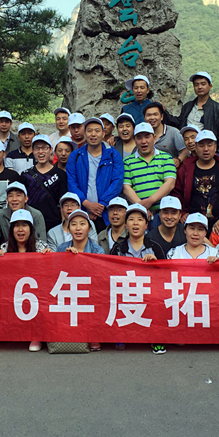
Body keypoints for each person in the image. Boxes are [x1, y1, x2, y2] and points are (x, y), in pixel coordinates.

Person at [109, 203, 167, 355]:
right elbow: (109, 273)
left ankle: (156, 338)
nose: (135, 223)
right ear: (125, 225)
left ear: (146, 225)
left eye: (140, 220)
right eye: (131, 219)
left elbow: (166, 275)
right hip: (125, 290)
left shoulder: (155, 247)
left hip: (149, 292)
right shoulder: (117, 248)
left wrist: (155, 264)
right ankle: (121, 333)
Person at [0, 209, 51, 352]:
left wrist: (49, 257)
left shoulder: (40, 247)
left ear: (31, 229)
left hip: (35, 293)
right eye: (16, 225)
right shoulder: (4, 248)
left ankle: (36, 335)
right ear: (11, 229)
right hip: (12, 292)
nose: (20, 229)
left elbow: (50, 272)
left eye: (24, 225)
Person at [172, 130, 219, 233]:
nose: (206, 149)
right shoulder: (185, 170)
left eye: (209, 145)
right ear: (196, 147)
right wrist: (182, 213)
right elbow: (176, 194)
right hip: (194, 225)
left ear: (215, 147)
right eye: (201, 145)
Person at [66, 117, 124, 229]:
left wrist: (100, 206)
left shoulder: (113, 155)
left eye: (97, 131)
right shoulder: (76, 155)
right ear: (84, 133)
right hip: (82, 211)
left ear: (103, 133)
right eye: (89, 131)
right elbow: (71, 182)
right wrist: (86, 203)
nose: (93, 134)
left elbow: (117, 182)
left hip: (106, 212)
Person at [122, 122, 177, 218]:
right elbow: (126, 187)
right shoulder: (127, 162)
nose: (143, 141)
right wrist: (141, 208)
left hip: (163, 212)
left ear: (154, 138)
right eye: (139, 138)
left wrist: (150, 201)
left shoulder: (166, 158)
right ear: (135, 140)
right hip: (137, 213)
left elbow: (170, 183)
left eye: (147, 137)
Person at [170, 71, 219, 156]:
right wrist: (162, 111)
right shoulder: (188, 106)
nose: (199, 87)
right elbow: (179, 123)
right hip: (188, 152)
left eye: (203, 84)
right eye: (196, 84)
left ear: (210, 86)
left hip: (206, 152)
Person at [20, 135, 67, 230]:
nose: (41, 151)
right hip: (32, 222)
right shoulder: (26, 175)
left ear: (51, 150)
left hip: (55, 223)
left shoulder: (60, 174)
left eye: (44, 148)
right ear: (33, 151)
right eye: (37, 148)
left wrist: (64, 225)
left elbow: (63, 201)